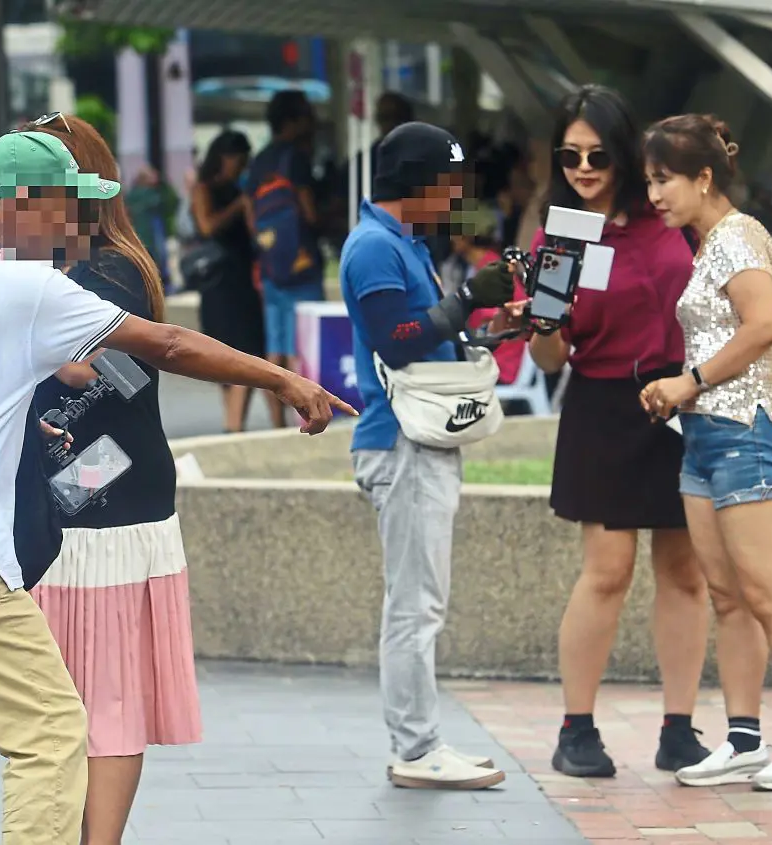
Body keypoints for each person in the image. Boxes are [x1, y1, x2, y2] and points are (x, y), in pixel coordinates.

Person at [0, 130, 354, 845]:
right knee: (51, 732)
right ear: (23, 204)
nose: (76, 226)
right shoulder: (24, 285)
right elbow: (166, 345)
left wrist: (12, 425)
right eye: (67, 207)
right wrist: (286, 378)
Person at [24, 114, 203, 845]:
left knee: (109, 700)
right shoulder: (43, 265)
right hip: (61, 505)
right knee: (58, 701)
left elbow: (121, 381)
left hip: (113, 508)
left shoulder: (112, 269)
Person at [640, 113, 772, 791]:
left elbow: (767, 325)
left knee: (769, 594)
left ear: (703, 177)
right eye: (650, 181)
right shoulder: (712, 242)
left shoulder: (739, 237)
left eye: (664, 179)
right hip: (704, 437)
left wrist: (686, 381)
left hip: (747, 432)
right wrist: (681, 395)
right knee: (728, 596)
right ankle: (746, 737)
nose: (655, 193)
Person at [528, 86, 709, 778]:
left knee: (684, 571)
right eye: (568, 154)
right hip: (601, 401)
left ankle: (680, 728)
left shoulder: (667, 216)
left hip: (680, 395)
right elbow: (549, 356)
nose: (582, 166)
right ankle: (576, 728)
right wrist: (545, 320)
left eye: (597, 153)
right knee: (607, 570)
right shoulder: (561, 235)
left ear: (626, 152)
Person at [342, 121, 518, 790]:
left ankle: (421, 741)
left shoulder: (401, 243)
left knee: (420, 601)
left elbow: (431, 335)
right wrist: (469, 297)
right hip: (401, 442)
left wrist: (491, 327)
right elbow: (399, 341)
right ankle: (415, 748)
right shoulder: (374, 249)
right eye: (448, 182)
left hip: (420, 439)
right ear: (416, 184)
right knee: (414, 605)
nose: (456, 195)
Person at [247, 89, 325, 428]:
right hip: (301, 265)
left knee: (276, 347)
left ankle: (277, 422)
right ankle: (306, 417)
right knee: (302, 343)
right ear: (293, 121)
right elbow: (309, 211)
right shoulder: (296, 158)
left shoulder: (260, 160)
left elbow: (252, 216)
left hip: (270, 266)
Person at [191, 130, 267, 432]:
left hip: (242, 278)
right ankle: (232, 426)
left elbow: (254, 233)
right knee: (226, 352)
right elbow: (207, 226)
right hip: (218, 282)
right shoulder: (205, 188)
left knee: (246, 349)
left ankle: (234, 425)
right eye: (239, 159)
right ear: (224, 157)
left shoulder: (241, 189)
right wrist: (238, 206)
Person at [454, 203, 527, 386]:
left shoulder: (491, 270)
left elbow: (487, 324)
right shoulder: (488, 265)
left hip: (500, 365)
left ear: (466, 236)